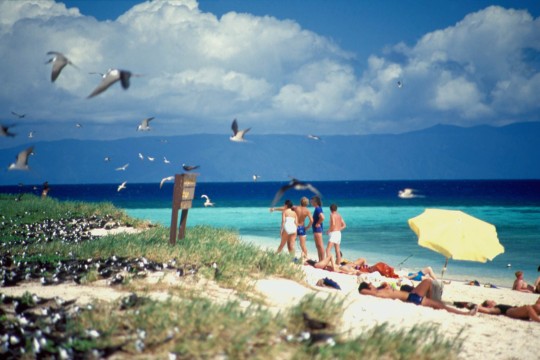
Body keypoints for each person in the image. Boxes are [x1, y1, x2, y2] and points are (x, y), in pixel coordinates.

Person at [358, 278, 477, 316]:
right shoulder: (375, 293)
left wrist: (383, 285)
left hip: (412, 295)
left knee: (428, 282)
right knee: (439, 305)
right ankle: (465, 314)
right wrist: (370, 289)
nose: (372, 285)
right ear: (368, 287)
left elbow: (383, 289)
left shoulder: (379, 290)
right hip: (412, 299)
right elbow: (362, 290)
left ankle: (435, 301)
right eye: (370, 285)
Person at [311, 196, 325, 261]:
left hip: (317, 230)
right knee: (318, 246)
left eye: (312, 201)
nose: (311, 202)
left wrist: (318, 223)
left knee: (320, 246)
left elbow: (322, 217)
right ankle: (320, 260)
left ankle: (322, 260)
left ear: (315, 202)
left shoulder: (318, 209)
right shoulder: (317, 208)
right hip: (316, 230)